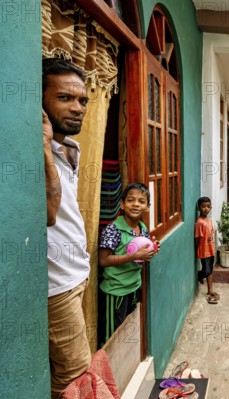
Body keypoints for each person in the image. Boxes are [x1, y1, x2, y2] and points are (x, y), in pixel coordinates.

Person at [43, 57, 92, 398]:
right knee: (75, 378)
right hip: (55, 285)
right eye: (65, 98)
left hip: (77, 273)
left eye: (83, 100)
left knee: (67, 374)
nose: (77, 108)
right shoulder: (37, 152)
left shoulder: (69, 148)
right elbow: (48, 210)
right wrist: (42, 144)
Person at [97, 183, 160, 345]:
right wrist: (134, 256)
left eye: (141, 201)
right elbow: (103, 260)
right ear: (122, 204)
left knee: (126, 333)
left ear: (147, 207)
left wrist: (151, 250)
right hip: (115, 291)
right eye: (131, 200)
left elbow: (142, 256)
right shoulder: (113, 230)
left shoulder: (142, 228)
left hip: (133, 288)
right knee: (112, 338)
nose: (136, 204)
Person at [195, 197, 219, 304]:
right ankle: (199, 275)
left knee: (210, 270)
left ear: (211, 207)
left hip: (211, 249)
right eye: (203, 207)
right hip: (204, 251)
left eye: (208, 207)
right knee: (207, 270)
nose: (206, 209)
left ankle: (210, 290)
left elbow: (211, 235)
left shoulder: (209, 221)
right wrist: (196, 250)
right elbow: (197, 238)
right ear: (198, 208)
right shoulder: (199, 223)